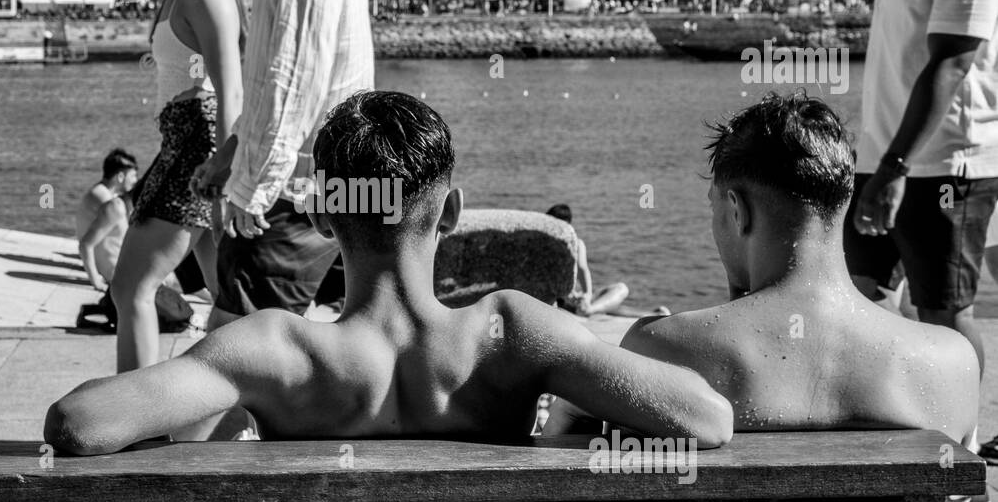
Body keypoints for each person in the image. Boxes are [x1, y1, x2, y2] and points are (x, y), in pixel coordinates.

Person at [44, 92, 732, 453]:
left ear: (321, 220)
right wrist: (578, 408)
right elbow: (706, 418)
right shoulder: (512, 332)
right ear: (453, 210)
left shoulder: (272, 347)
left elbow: (80, 422)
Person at [621, 93, 985, 502]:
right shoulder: (951, 360)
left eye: (714, 209)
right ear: (843, 200)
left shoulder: (660, 348)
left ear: (737, 211)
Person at [842, 0, 998, 473]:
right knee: (856, 294)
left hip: (940, 164)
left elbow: (954, 60)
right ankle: (887, 436)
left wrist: (896, 167)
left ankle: (960, 460)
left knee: (945, 312)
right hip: (885, 159)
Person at [190, 0, 374, 342]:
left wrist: (253, 188)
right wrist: (232, 150)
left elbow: (293, 84)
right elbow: (283, 78)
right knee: (259, 343)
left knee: (237, 343)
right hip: (316, 182)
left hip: (293, 192)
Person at [110, 0, 244, 373]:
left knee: (131, 288)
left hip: (198, 145)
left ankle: (138, 419)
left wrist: (223, 174)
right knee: (228, 298)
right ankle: (244, 411)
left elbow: (229, 88)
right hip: (182, 138)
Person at [545, 203, 630, 317]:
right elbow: (582, 269)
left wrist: (586, 295)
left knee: (620, 288)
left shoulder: (549, 245)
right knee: (618, 292)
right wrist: (585, 295)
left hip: (573, 299)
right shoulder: (575, 244)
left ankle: (589, 309)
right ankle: (589, 310)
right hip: (566, 302)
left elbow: (582, 270)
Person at [76, 148, 138, 295]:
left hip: (108, 266)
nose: (135, 181)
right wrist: (95, 280)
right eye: (134, 175)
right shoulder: (108, 201)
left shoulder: (99, 192)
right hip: (113, 271)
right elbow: (85, 244)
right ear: (121, 176)